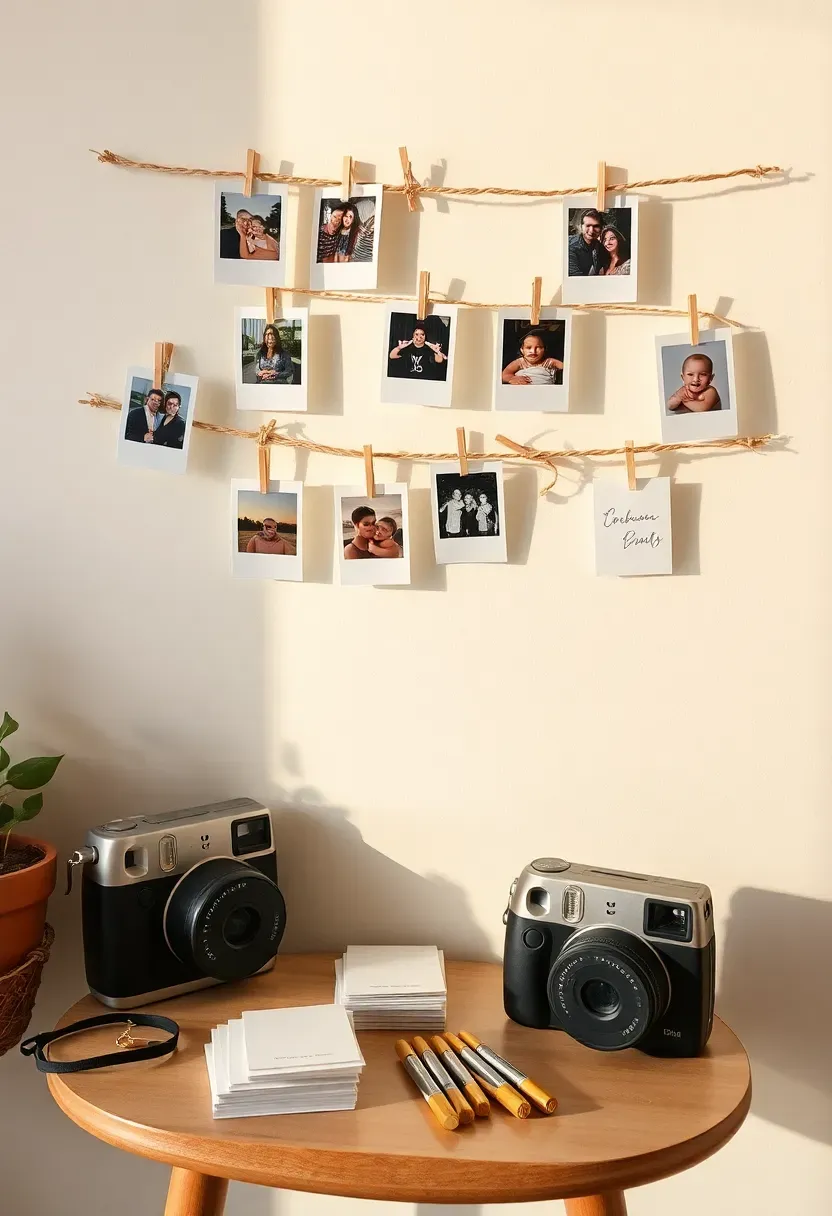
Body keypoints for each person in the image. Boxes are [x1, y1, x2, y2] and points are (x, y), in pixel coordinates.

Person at [568, 208, 610, 277]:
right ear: (581, 226)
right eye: (588, 225)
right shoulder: (572, 247)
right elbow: (575, 277)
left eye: (596, 226)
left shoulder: (600, 247)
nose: (591, 230)